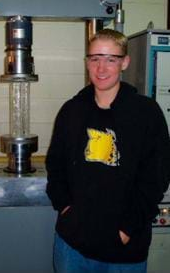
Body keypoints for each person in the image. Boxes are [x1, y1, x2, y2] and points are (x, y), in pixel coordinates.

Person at [46, 29, 170, 273]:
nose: (101, 68)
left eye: (110, 59)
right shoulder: (71, 111)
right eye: (95, 59)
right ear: (87, 63)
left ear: (124, 62)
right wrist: (66, 208)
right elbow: (55, 165)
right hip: (72, 246)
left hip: (124, 249)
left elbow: (156, 178)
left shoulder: (146, 114)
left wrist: (127, 228)